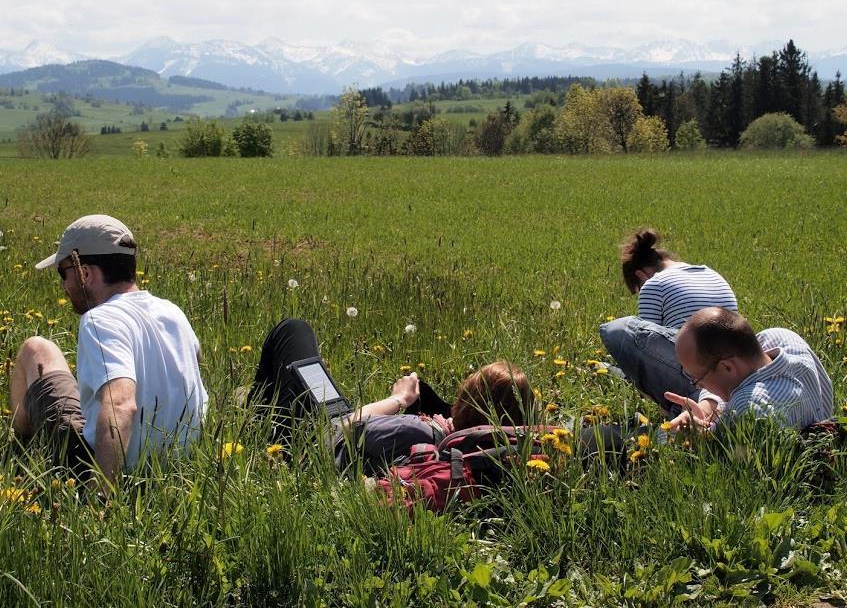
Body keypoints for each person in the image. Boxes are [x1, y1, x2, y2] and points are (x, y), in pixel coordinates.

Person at [9, 214, 208, 487]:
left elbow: (120, 404)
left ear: (85, 273)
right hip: (182, 468)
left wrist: (101, 497)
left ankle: (20, 443)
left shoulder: (99, 320)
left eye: (62, 274)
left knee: (36, 349)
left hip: (110, 467)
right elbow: (195, 365)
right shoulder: (172, 312)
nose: (63, 286)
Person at [249, 318, 535, 473]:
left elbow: (349, 428)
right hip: (336, 433)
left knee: (292, 330)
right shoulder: (490, 455)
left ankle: (255, 433)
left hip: (312, 437)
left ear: (465, 401)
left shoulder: (417, 431)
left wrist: (400, 400)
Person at [600, 228, 738, 417]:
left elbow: (646, 347)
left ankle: (676, 409)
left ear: (641, 276)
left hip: (695, 371)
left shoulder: (653, 285)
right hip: (733, 370)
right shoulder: (714, 275)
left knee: (619, 333)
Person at [665, 307, 833, 431]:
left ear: (727, 367)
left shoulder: (747, 408)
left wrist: (691, 433)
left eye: (698, 380)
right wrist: (709, 404)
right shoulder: (782, 338)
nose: (700, 387)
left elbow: (716, 451)